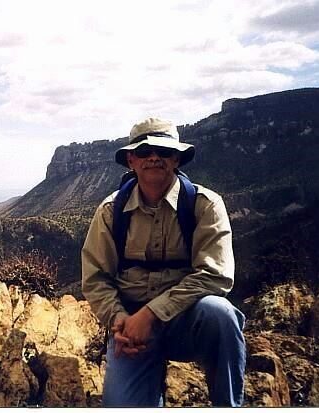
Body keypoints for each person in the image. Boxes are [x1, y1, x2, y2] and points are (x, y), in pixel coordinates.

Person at [81, 117, 246, 407]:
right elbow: (96, 278)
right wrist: (120, 321)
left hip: (187, 321)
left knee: (220, 313)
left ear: (177, 159)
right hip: (131, 331)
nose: (154, 157)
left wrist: (151, 315)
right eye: (144, 152)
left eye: (164, 151)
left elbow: (216, 275)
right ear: (131, 160)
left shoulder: (205, 206)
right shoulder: (110, 212)